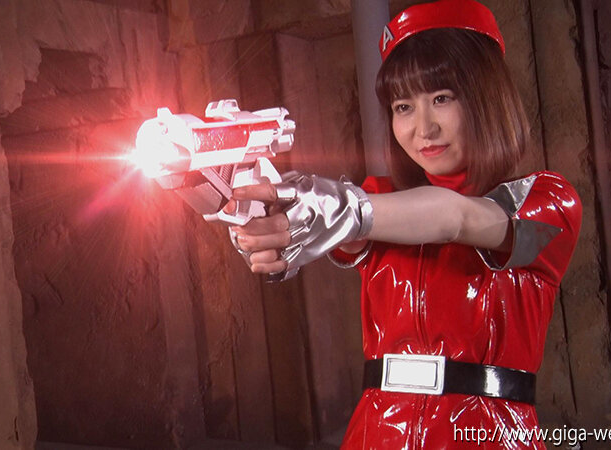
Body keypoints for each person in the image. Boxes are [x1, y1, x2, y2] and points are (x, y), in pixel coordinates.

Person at [226, 0, 582, 448]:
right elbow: (341, 226)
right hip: (376, 433)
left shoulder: (548, 205)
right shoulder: (379, 197)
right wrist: (257, 211)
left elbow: (455, 217)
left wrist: (346, 211)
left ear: (488, 97)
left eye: (441, 98)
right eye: (403, 106)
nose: (423, 128)